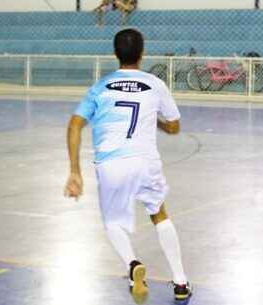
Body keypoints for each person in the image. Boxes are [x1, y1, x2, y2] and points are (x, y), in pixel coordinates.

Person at [64, 29, 192, 301]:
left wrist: (74, 171)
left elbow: (75, 124)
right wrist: (153, 120)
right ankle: (181, 282)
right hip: (145, 161)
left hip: (111, 163)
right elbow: (174, 127)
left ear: (114, 54)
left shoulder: (100, 86)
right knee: (159, 214)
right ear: (142, 54)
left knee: (112, 222)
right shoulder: (155, 83)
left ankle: (133, 264)